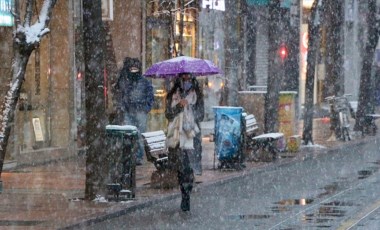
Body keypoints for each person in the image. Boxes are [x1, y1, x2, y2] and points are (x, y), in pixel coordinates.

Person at [165, 73, 201, 212]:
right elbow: (168, 114)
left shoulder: (196, 94)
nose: (186, 81)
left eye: (188, 78)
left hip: (191, 135)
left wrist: (190, 109)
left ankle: (187, 193)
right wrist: (180, 106)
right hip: (176, 137)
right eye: (183, 78)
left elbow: (201, 114)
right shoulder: (173, 94)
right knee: (182, 168)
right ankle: (185, 194)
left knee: (187, 168)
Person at [114, 57, 154, 165]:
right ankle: (131, 156)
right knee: (130, 135)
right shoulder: (128, 81)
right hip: (130, 111)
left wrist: (145, 108)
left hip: (140, 112)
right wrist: (125, 106)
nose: (134, 71)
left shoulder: (144, 82)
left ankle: (138, 156)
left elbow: (150, 96)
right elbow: (122, 94)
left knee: (139, 135)